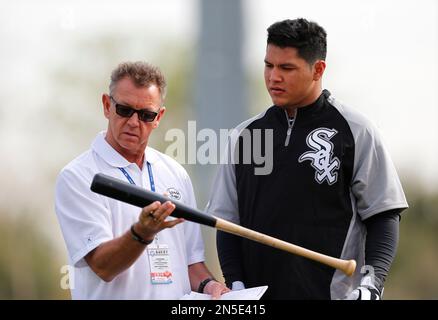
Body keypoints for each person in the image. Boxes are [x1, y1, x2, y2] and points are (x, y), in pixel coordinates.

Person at [206, 18, 408, 300]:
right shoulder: (244, 135)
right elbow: (228, 223)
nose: (273, 77)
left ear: (318, 69)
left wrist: (371, 284)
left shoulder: (357, 130)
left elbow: (383, 215)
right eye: (268, 65)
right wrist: (236, 284)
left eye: (286, 68)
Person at [55, 61, 229, 299]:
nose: (134, 123)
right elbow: (103, 266)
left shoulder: (175, 173)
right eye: (124, 110)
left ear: (159, 117)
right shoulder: (78, 176)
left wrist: (210, 286)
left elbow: (191, 263)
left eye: (146, 115)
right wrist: (141, 233)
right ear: (107, 105)